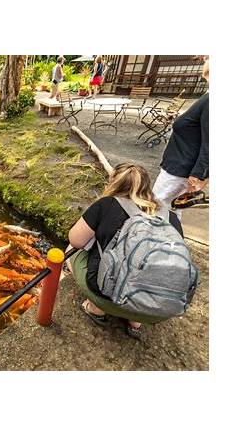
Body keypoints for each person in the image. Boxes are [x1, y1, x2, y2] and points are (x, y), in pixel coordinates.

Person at [66, 163, 183, 338]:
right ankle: (136, 322)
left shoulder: (106, 204)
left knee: (71, 250)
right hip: (158, 310)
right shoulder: (170, 217)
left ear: (114, 183)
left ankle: (96, 308)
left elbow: (75, 240)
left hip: (108, 299)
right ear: (147, 187)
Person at [152, 56, 209, 213]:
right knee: (171, 211)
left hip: (180, 169)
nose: (204, 62)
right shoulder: (208, 96)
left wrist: (199, 175)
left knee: (156, 208)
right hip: (179, 165)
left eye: (208, 58)